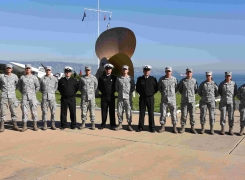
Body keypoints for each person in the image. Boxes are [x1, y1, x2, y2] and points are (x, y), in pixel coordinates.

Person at [136, 65, 158, 133]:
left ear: (149, 71)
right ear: (143, 71)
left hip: (150, 98)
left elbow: (156, 88)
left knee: (151, 113)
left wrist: (151, 93)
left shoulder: (153, 79)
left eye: (148, 70)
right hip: (142, 98)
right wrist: (142, 93)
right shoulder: (140, 79)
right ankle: (140, 127)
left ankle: (152, 127)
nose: (146, 72)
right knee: (142, 113)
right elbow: (137, 88)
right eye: (145, 70)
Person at [18, 64, 40, 132]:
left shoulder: (34, 77)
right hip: (24, 96)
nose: (28, 69)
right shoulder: (22, 77)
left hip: (33, 97)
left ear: (31, 69)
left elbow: (38, 86)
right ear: (25, 69)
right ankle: (24, 126)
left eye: (29, 68)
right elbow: (19, 87)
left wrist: (33, 93)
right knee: (24, 111)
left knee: (34, 111)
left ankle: (35, 125)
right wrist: (24, 93)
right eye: (27, 68)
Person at [0, 64, 20, 132]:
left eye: (10, 68)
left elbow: (17, 85)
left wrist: (12, 91)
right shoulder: (1, 76)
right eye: (7, 68)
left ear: (12, 69)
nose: (8, 69)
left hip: (12, 97)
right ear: (5, 69)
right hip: (4, 96)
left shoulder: (15, 76)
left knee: (13, 112)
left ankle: (15, 125)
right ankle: (2, 126)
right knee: (2, 112)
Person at [158, 67, 178, 133]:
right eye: (167, 71)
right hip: (164, 99)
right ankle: (162, 126)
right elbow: (160, 88)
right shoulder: (161, 79)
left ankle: (174, 127)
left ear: (171, 72)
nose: (168, 72)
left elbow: (176, 88)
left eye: (169, 71)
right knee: (163, 113)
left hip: (172, 99)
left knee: (174, 114)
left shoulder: (174, 79)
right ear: (165, 72)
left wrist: (171, 94)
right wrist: (164, 94)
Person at [114, 65, 135, 131]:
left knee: (128, 112)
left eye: (126, 69)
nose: (125, 70)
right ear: (122, 70)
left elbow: (133, 87)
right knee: (119, 112)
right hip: (120, 98)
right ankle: (120, 124)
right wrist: (120, 93)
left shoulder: (130, 79)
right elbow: (116, 87)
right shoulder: (119, 78)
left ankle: (129, 125)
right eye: (124, 69)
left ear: (128, 70)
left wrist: (128, 93)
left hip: (128, 98)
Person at [178, 68, 198, 134]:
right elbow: (180, 90)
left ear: (192, 73)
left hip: (192, 101)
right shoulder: (182, 81)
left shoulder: (194, 81)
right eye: (188, 72)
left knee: (192, 115)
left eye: (190, 72)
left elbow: (195, 90)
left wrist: (191, 96)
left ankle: (192, 128)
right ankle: (183, 127)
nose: (189, 73)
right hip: (184, 101)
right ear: (186, 73)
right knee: (184, 114)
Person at [98, 63, 117, 130]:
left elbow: (116, 87)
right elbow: (99, 86)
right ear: (105, 70)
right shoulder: (101, 77)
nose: (108, 70)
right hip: (104, 96)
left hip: (111, 96)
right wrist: (104, 92)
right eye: (107, 69)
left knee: (112, 111)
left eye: (109, 69)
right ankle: (103, 124)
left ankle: (112, 124)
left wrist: (112, 92)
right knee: (104, 111)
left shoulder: (114, 78)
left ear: (111, 70)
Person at [78, 66, 98, 130]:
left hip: (91, 97)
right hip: (84, 97)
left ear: (91, 71)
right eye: (86, 70)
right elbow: (80, 87)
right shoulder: (82, 78)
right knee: (83, 111)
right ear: (85, 71)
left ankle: (93, 123)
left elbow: (96, 86)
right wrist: (84, 92)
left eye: (89, 70)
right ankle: (83, 123)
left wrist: (91, 92)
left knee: (92, 111)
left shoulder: (94, 78)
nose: (88, 71)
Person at [40, 66, 58, 130]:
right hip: (45, 97)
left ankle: (53, 124)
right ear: (45, 71)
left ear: (51, 71)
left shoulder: (54, 79)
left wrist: (52, 92)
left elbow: (56, 87)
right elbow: (40, 89)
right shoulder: (42, 79)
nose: (48, 71)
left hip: (52, 97)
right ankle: (45, 124)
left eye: (49, 70)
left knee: (53, 111)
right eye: (47, 70)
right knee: (44, 111)